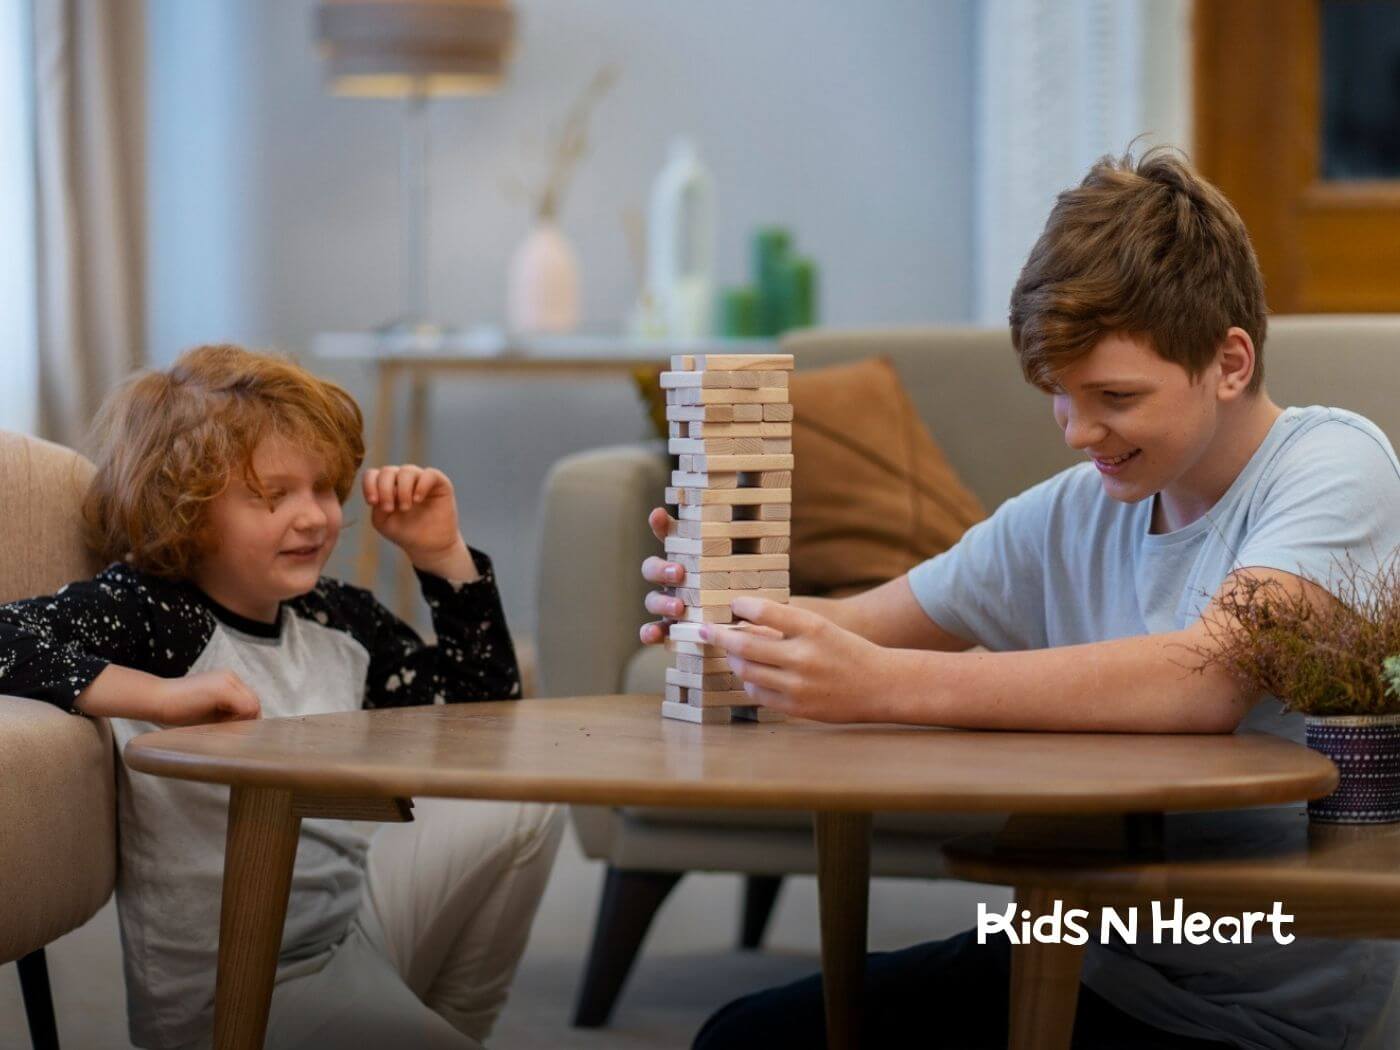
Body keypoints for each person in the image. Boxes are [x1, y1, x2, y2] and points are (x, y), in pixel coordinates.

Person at [640, 149, 1400, 1048]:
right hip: (1078, 937)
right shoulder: (1076, 509)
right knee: (738, 1036)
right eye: (1059, 398)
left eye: (1114, 396)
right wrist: (731, 610)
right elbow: (856, 624)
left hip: (1249, 994)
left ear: (1230, 361)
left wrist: (880, 685)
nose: (1081, 434)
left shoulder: (1333, 466)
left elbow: (1204, 678)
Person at [0, 344, 563, 1049]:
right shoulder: (153, 613)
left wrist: (439, 556)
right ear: (186, 510)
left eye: (325, 488)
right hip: (234, 991)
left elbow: (486, 719)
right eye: (273, 496)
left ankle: (444, 1031)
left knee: (528, 804)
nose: (315, 517)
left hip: (350, 929)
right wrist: (158, 696)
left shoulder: (337, 616)